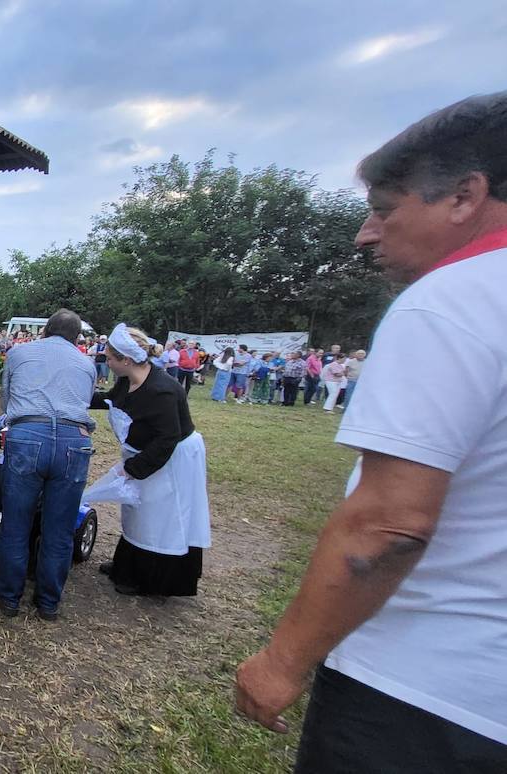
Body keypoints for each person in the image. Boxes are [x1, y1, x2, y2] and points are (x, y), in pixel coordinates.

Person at [235, 91, 507, 772]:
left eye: (385, 209)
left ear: (464, 196)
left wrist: (282, 659)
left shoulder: (451, 301)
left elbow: (389, 523)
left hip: (422, 689)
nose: (366, 233)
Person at [0, 309, 96, 620]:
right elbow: (83, 402)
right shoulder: (87, 363)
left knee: (16, 523)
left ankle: (9, 597)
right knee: (61, 529)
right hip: (73, 442)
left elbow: (8, 399)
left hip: (28, 435)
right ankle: (48, 604)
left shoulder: (19, 352)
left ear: (45, 331)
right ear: (77, 338)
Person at [92, 324, 210, 596]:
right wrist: (74, 399)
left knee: (160, 517)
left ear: (126, 360)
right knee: (137, 512)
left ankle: (150, 581)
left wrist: (134, 469)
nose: (106, 361)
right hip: (144, 453)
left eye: (109, 357)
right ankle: (127, 567)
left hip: (170, 460)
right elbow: (111, 400)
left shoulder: (162, 390)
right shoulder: (127, 381)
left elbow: (167, 438)